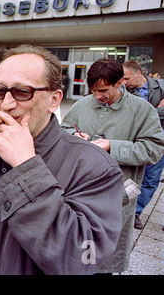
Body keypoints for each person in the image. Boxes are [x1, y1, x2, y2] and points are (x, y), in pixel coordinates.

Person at [0, 45, 124, 275]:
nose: (6, 104)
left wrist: (26, 166)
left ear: (54, 100)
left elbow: (81, 258)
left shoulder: (93, 166)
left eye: (22, 92)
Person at [61, 58, 164, 274]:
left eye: (103, 90)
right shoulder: (82, 105)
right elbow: (64, 130)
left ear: (120, 83)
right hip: (81, 191)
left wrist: (112, 146)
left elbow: (154, 149)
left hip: (119, 193)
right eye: (94, 90)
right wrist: (75, 136)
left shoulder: (142, 110)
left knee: (106, 257)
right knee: (77, 249)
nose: (98, 96)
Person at [122, 60, 164, 229]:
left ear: (139, 73)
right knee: (131, 178)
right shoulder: (125, 92)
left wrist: (147, 112)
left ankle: (136, 212)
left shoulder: (160, 86)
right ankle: (125, 208)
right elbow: (130, 113)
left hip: (159, 141)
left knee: (151, 179)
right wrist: (158, 110)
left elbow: (141, 113)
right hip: (136, 140)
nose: (124, 82)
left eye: (126, 78)